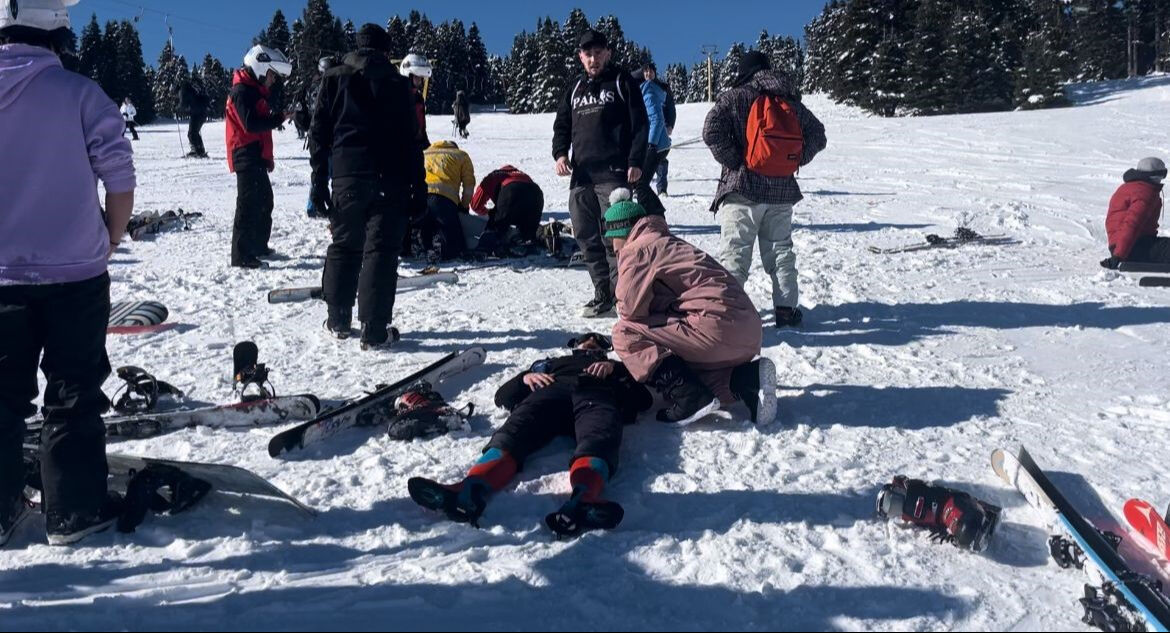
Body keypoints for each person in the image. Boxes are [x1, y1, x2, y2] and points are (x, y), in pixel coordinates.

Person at [0, 0, 136, 546]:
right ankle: (75, 511)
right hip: (76, 273)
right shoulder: (80, 93)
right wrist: (112, 234)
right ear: (56, 27)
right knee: (73, 389)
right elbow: (119, 176)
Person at [407, 332, 652, 536]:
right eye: (584, 340)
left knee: (599, 436)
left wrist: (616, 372)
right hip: (548, 392)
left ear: (604, 350)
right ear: (574, 347)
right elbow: (502, 397)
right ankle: (468, 489)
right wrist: (526, 379)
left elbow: (643, 401)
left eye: (597, 342)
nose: (590, 342)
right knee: (515, 431)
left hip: (594, 395)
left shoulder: (615, 368)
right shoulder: (550, 363)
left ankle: (584, 499)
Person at [604, 189, 777, 425]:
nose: (613, 248)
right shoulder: (667, 242)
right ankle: (746, 380)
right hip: (747, 331)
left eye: (611, 239)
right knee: (684, 368)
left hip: (716, 330)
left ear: (621, 232)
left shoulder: (638, 250)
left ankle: (689, 397)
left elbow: (628, 310)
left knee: (624, 333)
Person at [310, 24, 426, 350]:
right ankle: (374, 331)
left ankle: (338, 320)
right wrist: (419, 189)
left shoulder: (334, 77)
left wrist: (318, 183)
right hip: (391, 178)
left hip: (348, 176)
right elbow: (411, 142)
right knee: (381, 252)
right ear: (386, 52)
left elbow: (319, 134)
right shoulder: (399, 86)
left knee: (345, 245)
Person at [702, 51, 826, 328]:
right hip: (781, 192)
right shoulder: (790, 100)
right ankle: (786, 310)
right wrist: (793, 160)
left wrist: (736, 161)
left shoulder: (736, 96)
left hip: (742, 190)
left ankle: (730, 316)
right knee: (781, 251)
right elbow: (818, 134)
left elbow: (711, 130)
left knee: (735, 255)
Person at [552, 28, 661, 318]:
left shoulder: (622, 81)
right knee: (587, 238)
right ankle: (603, 294)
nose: (593, 58)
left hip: (614, 174)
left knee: (617, 241)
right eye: (587, 54)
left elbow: (640, 125)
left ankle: (623, 296)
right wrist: (560, 153)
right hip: (582, 177)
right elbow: (561, 125)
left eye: (598, 52)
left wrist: (636, 160)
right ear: (580, 57)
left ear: (608, 53)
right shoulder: (574, 87)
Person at [225, 44, 293, 269]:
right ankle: (241, 255)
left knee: (265, 200)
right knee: (247, 205)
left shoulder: (252, 90)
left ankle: (258, 246)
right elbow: (251, 124)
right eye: (272, 75)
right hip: (244, 154)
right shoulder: (241, 91)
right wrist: (279, 118)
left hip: (254, 153)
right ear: (261, 68)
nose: (273, 80)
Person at [1101, 157, 1170, 268]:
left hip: (1126, 245)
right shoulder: (1145, 192)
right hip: (1130, 248)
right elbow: (1132, 223)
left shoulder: (1131, 187)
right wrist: (1118, 256)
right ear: (1156, 175)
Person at [422, 139, 475, 260]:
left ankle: (424, 250)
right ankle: (444, 255)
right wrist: (464, 206)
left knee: (426, 226)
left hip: (422, 196)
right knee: (454, 242)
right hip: (444, 199)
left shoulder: (425, 153)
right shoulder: (461, 155)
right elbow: (468, 185)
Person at [470, 165, 545, 244]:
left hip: (511, 191)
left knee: (496, 229)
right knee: (529, 230)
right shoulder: (522, 174)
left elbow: (475, 205)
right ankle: (544, 234)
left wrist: (489, 213)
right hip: (536, 194)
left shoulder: (494, 175)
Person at [304, 56, 338, 219]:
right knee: (324, 170)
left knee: (323, 170)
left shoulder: (315, 86)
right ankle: (315, 205)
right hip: (322, 135)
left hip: (319, 135)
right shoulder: (320, 88)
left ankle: (316, 205)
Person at [638, 62, 671, 204]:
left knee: (641, 184)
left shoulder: (650, 91)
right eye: (645, 72)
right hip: (656, 143)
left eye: (650, 71)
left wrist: (651, 144)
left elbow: (657, 118)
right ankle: (653, 216)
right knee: (641, 183)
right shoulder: (647, 89)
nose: (648, 74)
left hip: (656, 144)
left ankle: (653, 216)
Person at [399, 53, 431, 152]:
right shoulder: (398, 97)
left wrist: (427, 145)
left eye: (422, 78)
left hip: (417, 149)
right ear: (408, 76)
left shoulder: (418, 98)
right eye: (418, 78)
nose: (421, 82)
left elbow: (420, 127)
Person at [180, 78, 210, 158]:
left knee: (191, 133)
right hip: (202, 113)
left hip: (197, 113)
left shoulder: (184, 90)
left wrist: (178, 108)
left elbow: (183, 105)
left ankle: (196, 151)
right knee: (195, 132)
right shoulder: (192, 89)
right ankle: (200, 150)